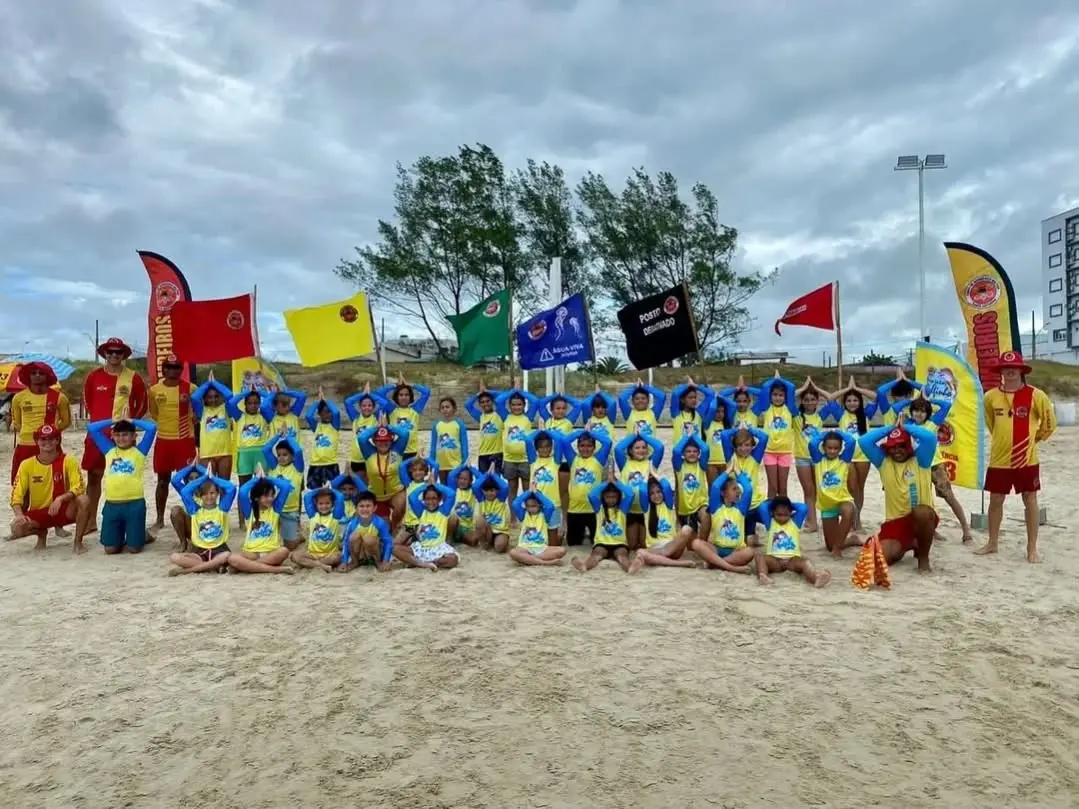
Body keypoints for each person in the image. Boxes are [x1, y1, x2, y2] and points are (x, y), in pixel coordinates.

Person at [977, 351, 1056, 562]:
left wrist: (1032, 440)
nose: (1010, 372)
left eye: (1014, 368)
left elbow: (1049, 425)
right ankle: (992, 543)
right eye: (1006, 368)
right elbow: (991, 424)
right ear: (1001, 371)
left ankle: (1032, 549)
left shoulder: (1036, 395)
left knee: (1030, 499)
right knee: (995, 500)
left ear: (1021, 370)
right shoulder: (990, 396)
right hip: (999, 459)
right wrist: (1004, 441)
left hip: (1027, 459)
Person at [81, 337, 148, 532]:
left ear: (123, 355)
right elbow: (87, 402)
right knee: (93, 477)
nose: (113, 355)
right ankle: (91, 521)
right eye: (110, 352)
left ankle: (127, 521)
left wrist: (128, 423)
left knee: (125, 475)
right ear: (104, 354)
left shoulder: (133, 377)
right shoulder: (93, 377)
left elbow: (142, 404)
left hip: (122, 437)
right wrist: (100, 421)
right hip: (98, 436)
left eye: (118, 352)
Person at [891, 395, 973, 544]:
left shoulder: (932, 423)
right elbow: (895, 408)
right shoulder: (908, 424)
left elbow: (946, 405)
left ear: (927, 413)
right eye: (916, 410)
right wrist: (914, 399)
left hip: (935, 465)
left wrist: (928, 399)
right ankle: (931, 530)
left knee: (949, 497)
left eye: (923, 411)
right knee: (923, 500)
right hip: (916, 466)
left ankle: (966, 530)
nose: (919, 414)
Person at [859, 422, 939, 572]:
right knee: (878, 560)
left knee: (922, 512)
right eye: (893, 447)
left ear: (909, 446)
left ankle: (923, 559)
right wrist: (891, 427)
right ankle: (908, 545)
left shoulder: (921, 459)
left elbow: (929, 438)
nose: (897, 451)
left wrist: (905, 427)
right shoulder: (883, 462)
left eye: (901, 446)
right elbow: (864, 441)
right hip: (895, 522)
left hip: (921, 517)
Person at [8, 424, 91, 552]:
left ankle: (78, 542)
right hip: (40, 511)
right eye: (43, 439)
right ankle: (41, 534)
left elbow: (79, 486)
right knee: (17, 529)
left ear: (57, 440)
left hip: (63, 509)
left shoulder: (68, 461)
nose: (47, 442)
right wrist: (19, 515)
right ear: (37, 441)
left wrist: (61, 499)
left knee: (84, 500)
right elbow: (16, 493)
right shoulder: (27, 464)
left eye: (51, 438)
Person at [87, 414, 158, 554]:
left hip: (134, 504)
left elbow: (152, 428)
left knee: (133, 549)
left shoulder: (139, 452)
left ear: (133, 437)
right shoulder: (109, 450)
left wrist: (131, 420)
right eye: (117, 435)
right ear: (112, 436)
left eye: (125, 435)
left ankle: (142, 535)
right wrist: (115, 420)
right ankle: (127, 534)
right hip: (112, 505)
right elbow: (92, 428)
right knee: (110, 550)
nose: (121, 438)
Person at [148, 354, 196, 535]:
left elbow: (199, 411)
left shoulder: (190, 388)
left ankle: (193, 513)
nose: (173, 371)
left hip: (185, 441)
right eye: (169, 367)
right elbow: (154, 413)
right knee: (162, 481)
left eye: (176, 368)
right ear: (164, 369)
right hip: (164, 440)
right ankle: (159, 519)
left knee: (189, 480)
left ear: (180, 370)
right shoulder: (154, 390)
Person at [9, 361, 73, 488]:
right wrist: (24, 431)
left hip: (51, 446)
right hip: (25, 446)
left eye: (41, 373)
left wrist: (51, 432)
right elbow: (17, 422)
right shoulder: (18, 398)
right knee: (21, 485)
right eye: (33, 373)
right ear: (28, 376)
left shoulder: (59, 397)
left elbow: (66, 421)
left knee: (55, 483)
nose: (37, 376)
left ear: (48, 375)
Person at [826, 377, 878, 530]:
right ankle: (849, 517)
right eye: (849, 400)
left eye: (855, 400)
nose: (852, 403)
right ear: (845, 403)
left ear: (859, 402)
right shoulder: (840, 414)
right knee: (850, 488)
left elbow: (876, 397)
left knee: (860, 488)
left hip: (863, 456)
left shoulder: (866, 413)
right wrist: (848, 389)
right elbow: (830, 398)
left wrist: (857, 388)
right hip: (847, 457)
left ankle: (857, 518)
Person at [805, 428, 861, 558]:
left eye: (836, 448)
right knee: (829, 545)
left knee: (848, 511)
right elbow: (812, 444)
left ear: (840, 449)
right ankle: (851, 540)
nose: (832, 451)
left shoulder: (844, 460)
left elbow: (851, 441)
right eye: (829, 448)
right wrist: (825, 433)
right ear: (823, 448)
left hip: (843, 500)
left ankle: (838, 549)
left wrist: (838, 432)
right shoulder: (818, 460)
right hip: (827, 505)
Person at [755, 496, 831, 587]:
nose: (782, 518)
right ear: (772, 513)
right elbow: (762, 507)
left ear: (791, 513)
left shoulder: (794, 522)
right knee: (760, 557)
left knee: (805, 562)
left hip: (791, 560)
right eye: (779, 514)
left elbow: (803, 508)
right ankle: (763, 576)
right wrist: (775, 503)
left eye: (785, 514)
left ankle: (815, 577)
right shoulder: (770, 523)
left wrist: (789, 505)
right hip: (775, 560)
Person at [169, 471, 235, 575]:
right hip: (200, 551)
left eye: (212, 493)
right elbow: (185, 491)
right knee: (174, 557)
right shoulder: (195, 511)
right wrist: (203, 478)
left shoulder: (222, 509)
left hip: (220, 549)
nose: (209, 497)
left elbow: (231, 488)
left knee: (227, 556)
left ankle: (187, 570)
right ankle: (214, 567)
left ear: (218, 494)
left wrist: (212, 477)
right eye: (205, 494)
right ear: (200, 496)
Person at [230, 470, 295, 574]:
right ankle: (274, 569)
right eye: (265, 496)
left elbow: (286, 487)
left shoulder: (275, 508)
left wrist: (266, 478)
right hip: (251, 553)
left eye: (272, 495)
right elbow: (242, 491)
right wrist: (257, 479)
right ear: (256, 498)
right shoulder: (249, 511)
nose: (270, 499)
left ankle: (249, 567)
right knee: (232, 558)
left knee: (284, 551)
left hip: (271, 552)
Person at [692, 470, 757, 573]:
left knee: (749, 552)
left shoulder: (741, 508)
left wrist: (738, 472)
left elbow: (748, 490)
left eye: (738, 489)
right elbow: (715, 486)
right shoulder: (716, 507)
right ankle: (732, 567)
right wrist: (728, 471)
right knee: (696, 543)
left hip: (735, 551)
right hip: (716, 549)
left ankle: (715, 563)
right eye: (734, 489)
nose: (738, 492)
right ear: (723, 493)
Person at [628, 477, 696, 572]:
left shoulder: (668, 505)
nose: (656, 496)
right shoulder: (646, 509)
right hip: (656, 548)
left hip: (672, 546)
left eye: (659, 491)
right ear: (648, 495)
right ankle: (678, 564)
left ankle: (655, 557)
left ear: (663, 492)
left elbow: (666, 485)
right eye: (652, 493)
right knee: (640, 552)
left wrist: (654, 473)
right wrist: (649, 478)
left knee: (686, 529)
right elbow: (642, 489)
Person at [572, 472, 636, 572]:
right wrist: (606, 482)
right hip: (602, 543)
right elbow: (591, 494)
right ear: (603, 497)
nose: (611, 500)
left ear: (618, 497)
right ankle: (584, 566)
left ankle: (630, 568)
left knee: (622, 557)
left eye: (614, 497)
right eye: (608, 497)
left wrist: (615, 482)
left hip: (619, 543)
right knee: (596, 555)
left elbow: (630, 494)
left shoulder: (622, 508)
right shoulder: (599, 508)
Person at [613, 431, 664, 550]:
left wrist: (643, 435)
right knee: (632, 545)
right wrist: (634, 436)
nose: (641, 450)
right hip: (630, 510)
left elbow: (660, 447)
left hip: (647, 511)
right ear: (630, 450)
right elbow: (618, 449)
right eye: (637, 448)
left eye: (644, 447)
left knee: (645, 545)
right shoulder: (625, 463)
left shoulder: (651, 463)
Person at [395, 473, 459, 569]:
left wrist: (435, 485)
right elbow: (412, 497)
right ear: (424, 500)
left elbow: (451, 494)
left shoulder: (443, 511)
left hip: (438, 547)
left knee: (453, 560)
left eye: (434, 499)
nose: (431, 502)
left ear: (439, 499)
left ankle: (431, 562)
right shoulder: (421, 511)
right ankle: (422, 564)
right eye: (427, 499)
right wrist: (425, 485)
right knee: (394, 548)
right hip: (422, 548)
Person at [227, 387, 271, 527]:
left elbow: (270, 399)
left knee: (262, 486)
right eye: (250, 403)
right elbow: (231, 403)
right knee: (244, 487)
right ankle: (242, 520)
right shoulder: (240, 416)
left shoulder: (264, 415)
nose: (253, 405)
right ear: (245, 404)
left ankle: (263, 516)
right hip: (244, 453)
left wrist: (260, 392)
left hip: (260, 453)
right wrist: (246, 393)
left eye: (256, 403)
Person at [562, 428, 613, 546]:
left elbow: (607, 442)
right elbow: (564, 441)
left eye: (589, 446)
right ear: (578, 447)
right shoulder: (573, 459)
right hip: (574, 509)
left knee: (596, 541)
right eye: (582, 445)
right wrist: (581, 432)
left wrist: (591, 433)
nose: (585, 449)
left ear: (594, 448)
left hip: (594, 510)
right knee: (573, 543)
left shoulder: (598, 460)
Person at [719, 425, 770, 542]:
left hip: (754, 505)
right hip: (737, 506)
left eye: (747, 445)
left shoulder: (755, 458)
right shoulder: (731, 457)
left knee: (752, 538)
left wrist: (749, 429)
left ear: (752, 446)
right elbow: (724, 435)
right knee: (745, 540)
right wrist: (737, 429)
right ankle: (750, 533)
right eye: (740, 445)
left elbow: (764, 437)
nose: (743, 448)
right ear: (735, 447)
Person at [356, 421, 410, 530]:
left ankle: (395, 528)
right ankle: (388, 525)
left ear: (391, 441)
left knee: (400, 506)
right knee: (383, 527)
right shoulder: (369, 452)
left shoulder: (397, 450)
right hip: (376, 496)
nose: (383, 443)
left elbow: (405, 434)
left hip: (396, 492)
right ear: (374, 442)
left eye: (387, 440)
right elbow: (362, 438)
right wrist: (376, 427)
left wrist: (388, 426)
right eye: (380, 441)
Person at [753, 373, 798, 500]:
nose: (778, 398)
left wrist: (780, 379)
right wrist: (774, 380)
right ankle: (770, 517)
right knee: (772, 488)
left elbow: (792, 387)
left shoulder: (789, 408)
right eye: (775, 395)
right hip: (769, 451)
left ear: (785, 397)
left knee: (783, 488)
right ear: (770, 396)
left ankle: (784, 514)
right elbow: (765, 387)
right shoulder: (767, 408)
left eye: (781, 395)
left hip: (785, 452)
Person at [496, 388, 539, 515]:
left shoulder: (528, 417)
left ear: (524, 405)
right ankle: (514, 517)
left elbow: (535, 401)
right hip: (509, 460)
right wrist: (512, 391)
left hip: (525, 460)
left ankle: (528, 514)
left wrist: (521, 392)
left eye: (519, 404)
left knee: (527, 490)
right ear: (509, 406)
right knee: (512, 489)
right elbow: (498, 401)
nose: (516, 407)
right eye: (513, 404)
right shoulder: (506, 417)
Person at [792, 377, 827, 533]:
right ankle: (811, 522)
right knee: (808, 490)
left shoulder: (821, 416)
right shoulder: (796, 417)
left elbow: (831, 400)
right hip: (802, 458)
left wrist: (816, 388)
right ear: (802, 401)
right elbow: (788, 398)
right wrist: (805, 386)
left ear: (817, 401)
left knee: (820, 490)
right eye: (806, 400)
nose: (810, 402)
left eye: (813, 399)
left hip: (819, 458)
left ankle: (821, 519)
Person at [261, 432, 305, 550]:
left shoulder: (297, 468)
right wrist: (277, 436)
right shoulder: (275, 466)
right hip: (273, 509)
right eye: (279, 454)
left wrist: (288, 436)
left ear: (292, 456)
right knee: (268, 539)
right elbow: (265, 449)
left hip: (290, 510)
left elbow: (298, 451)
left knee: (289, 547)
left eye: (285, 454)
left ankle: (298, 538)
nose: (281, 457)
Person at [291, 486, 347, 571]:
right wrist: (320, 489)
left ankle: (311, 564)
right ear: (316, 504)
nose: (324, 506)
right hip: (313, 554)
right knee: (294, 556)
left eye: (327, 503)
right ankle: (321, 565)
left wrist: (329, 490)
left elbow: (340, 496)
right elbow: (307, 496)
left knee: (338, 557)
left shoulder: (336, 516)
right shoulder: (313, 515)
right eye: (320, 504)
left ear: (332, 504)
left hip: (330, 554)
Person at [191, 372, 234, 481]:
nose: (213, 399)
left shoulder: (226, 409)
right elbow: (194, 397)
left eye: (216, 396)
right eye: (209, 397)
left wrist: (215, 383)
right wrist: (208, 383)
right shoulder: (202, 411)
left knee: (224, 487)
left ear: (220, 396)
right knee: (209, 487)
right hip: (207, 454)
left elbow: (229, 395)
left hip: (225, 453)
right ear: (205, 398)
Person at [376, 374, 431, 460]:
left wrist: (410, 385)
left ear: (410, 397)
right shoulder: (392, 409)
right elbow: (379, 393)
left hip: (412, 451)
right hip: (396, 450)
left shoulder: (416, 409)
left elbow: (426, 392)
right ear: (397, 397)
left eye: (406, 395)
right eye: (401, 395)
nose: (404, 397)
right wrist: (395, 385)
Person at [509, 488, 567, 567]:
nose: (530, 509)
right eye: (528, 506)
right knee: (513, 552)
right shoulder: (523, 514)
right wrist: (529, 491)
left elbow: (550, 505)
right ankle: (546, 563)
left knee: (562, 550)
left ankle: (527, 560)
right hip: (525, 547)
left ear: (540, 505)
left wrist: (537, 493)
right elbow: (515, 503)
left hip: (542, 548)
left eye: (533, 506)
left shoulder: (544, 514)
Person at [525, 426, 563, 545]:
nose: (544, 449)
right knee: (538, 538)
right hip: (536, 504)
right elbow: (527, 439)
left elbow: (559, 440)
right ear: (536, 448)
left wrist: (546, 431)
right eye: (541, 447)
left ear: (551, 447)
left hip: (553, 503)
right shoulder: (533, 461)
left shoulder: (555, 461)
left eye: (547, 446)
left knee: (553, 544)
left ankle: (559, 536)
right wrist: (539, 431)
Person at [339, 491, 394, 571]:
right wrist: (344, 561)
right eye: (361, 506)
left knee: (368, 538)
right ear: (356, 509)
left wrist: (385, 560)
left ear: (374, 508)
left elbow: (388, 542)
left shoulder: (380, 522)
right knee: (353, 536)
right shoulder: (352, 523)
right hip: (360, 555)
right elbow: (346, 542)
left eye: (368, 506)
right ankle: (355, 562)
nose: (365, 509)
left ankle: (377, 562)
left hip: (376, 554)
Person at [671, 433, 710, 539]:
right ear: (683, 453)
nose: (692, 454)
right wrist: (686, 437)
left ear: (699, 453)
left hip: (700, 504)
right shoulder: (679, 466)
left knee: (707, 515)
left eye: (695, 451)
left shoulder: (701, 465)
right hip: (686, 510)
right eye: (688, 451)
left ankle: (703, 542)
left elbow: (705, 449)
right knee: (690, 545)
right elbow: (676, 451)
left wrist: (694, 436)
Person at [304, 388, 342, 489]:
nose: (328, 414)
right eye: (325, 412)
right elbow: (308, 416)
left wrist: (326, 401)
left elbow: (336, 412)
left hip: (330, 464)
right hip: (315, 464)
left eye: (329, 412)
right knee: (314, 490)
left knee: (332, 490)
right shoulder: (317, 426)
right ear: (320, 414)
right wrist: (317, 402)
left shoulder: (334, 426)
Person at [343, 385, 384, 479]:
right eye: (364, 405)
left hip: (371, 457)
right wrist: (363, 394)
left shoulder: (376, 417)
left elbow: (384, 403)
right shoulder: (355, 417)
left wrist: (371, 395)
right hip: (356, 458)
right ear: (360, 407)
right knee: (358, 485)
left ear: (374, 407)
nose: (367, 408)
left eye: (370, 405)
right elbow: (348, 402)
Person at [168, 459, 209, 552]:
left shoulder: (207, 493)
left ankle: (194, 543)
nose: (194, 481)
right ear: (187, 481)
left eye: (197, 478)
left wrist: (197, 466)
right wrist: (190, 467)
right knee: (175, 511)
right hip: (189, 525)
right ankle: (183, 542)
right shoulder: (185, 490)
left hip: (203, 528)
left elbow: (209, 474)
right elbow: (174, 480)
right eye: (191, 478)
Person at [465, 383, 504, 475]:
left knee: (495, 482)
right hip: (482, 454)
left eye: (488, 401)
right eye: (482, 402)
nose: (485, 404)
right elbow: (468, 405)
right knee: (484, 482)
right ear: (479, 404)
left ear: (492, 402)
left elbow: (502, 395)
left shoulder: (499, 414)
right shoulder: (480, 416)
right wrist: (477, 394)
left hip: (497, 453)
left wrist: (488, 391)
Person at [471, 466, 511, 551]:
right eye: (486, 490)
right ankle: (485, 545)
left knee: (500, 548)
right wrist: (486, 474)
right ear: (482, 491)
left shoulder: (500, 499)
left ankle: (497, 542)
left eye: (492, 490)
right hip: (486, 530)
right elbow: (475, 486)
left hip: (500, 531)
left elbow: (505, 487)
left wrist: (493, 475)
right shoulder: (481, 499)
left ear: (497, 491)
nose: (489, 493)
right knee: (479, 521)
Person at [429, 397, 468, 483]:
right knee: (444, 489)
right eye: (442, 407)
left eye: (447, 407)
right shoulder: (437, 425)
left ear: (454, 409)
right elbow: (433, 446)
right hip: (441, 465)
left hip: (456, 465)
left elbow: (464, 444)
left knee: (454, 489)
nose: (445, 409)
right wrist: (431, 464)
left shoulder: (459, 424)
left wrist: (465, 462)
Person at [702, 392, 735, 487]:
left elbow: (733, 405)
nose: (720, 414)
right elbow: (712, 408)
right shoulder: (707, 424)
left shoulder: (727, 424)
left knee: (726, 489)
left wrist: (721, 396)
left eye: (722, 411)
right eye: (717, 411)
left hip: (726, 462)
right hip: (711, 463)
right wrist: (715, 398)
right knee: (713, 489)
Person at [445, 464, 479, 545]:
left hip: (466, 528)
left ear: (470, 481)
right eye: (460, 478)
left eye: (465, 479)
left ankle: (461, 538)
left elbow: (481, 479)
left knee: (474, 541)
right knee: (453, 518)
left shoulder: (473, 491)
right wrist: (463, 466)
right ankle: (450, 538)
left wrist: (471, 468)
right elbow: (451, 475)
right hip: (454, 526)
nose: (462, 481)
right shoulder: (454, 490)